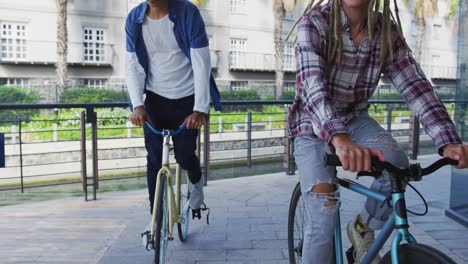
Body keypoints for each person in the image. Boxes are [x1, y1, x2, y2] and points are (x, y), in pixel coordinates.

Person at [288, 0, 468, 263]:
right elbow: (312, 87)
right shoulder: (315, 23)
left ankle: (362, 227)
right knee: (324, 216)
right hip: (310, 124)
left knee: (397, 164)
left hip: (354, 119)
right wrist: (340, 139)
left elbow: (415, 86)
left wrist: (447, 140)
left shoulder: (385, 31)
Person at [125, 0, 222, 249]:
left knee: (183, 154)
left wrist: (199, 109)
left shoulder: (187, 13)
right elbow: (133, 65)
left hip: (188, 98)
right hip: (155, 98)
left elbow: (201, 61)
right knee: (154, 159)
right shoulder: (134, 19)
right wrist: (138, 105)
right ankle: (154, 219)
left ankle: (197, 183)